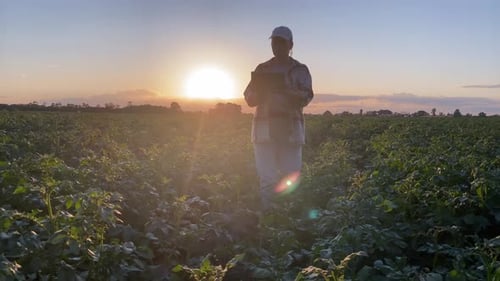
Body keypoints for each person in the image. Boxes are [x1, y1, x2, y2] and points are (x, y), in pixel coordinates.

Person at [243, 26, 313, 212]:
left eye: (281, 42)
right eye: (274, 42)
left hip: (290, 130)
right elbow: (249, 97)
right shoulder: (262, 69)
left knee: (291, 177)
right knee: (267, 179)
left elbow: (307, 97)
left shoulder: (300, 70)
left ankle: (288, 219)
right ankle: (269, 220)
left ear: (290, 45)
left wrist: (286, 90)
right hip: (264, 130)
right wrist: (261, 93)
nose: (277, 45)